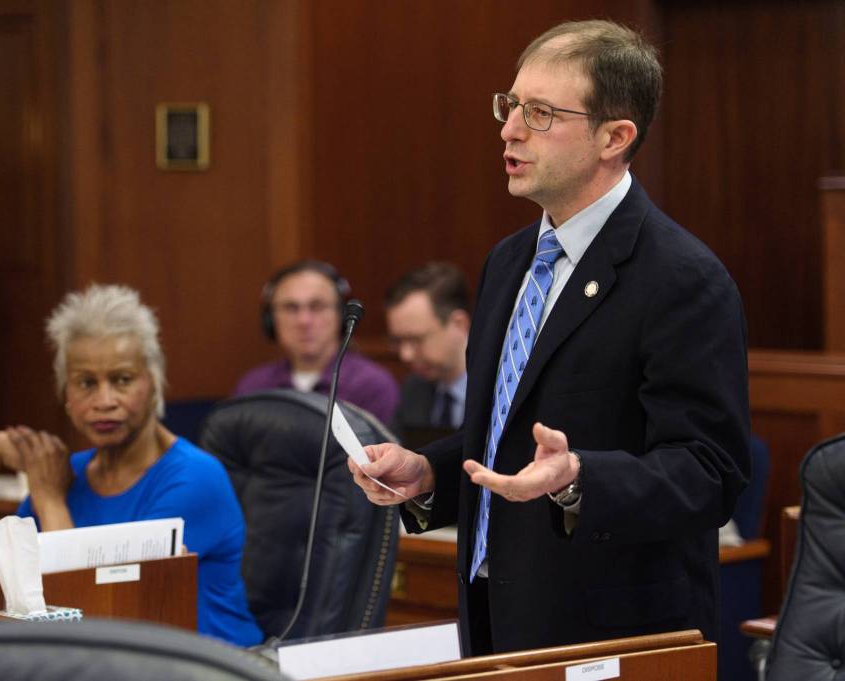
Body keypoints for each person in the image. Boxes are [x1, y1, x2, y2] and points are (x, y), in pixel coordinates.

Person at [349, 20, 750, 656]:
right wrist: (427, 473)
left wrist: (580, 476)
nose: (509, 130)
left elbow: (710, 474)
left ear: (614, 138)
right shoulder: (509, 261)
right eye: (510, 106)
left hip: (610, 635)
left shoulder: (682, 278)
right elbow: (505, 437)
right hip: (492, 614)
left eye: (540, 114)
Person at [0, 284, 263, 647]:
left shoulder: (195, 478)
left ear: (154, 384)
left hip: (213, 663)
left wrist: (50, 501)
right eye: (86, 383)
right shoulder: (63, 474)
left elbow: (98, 623)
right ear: (65, 395)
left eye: (122, 380)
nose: (104, 401)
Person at [233, 259, 399, 425]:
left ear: (341, 315)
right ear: (270, 319)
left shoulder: (372, 386)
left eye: (317, 306)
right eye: (291, 308)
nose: (304, 320)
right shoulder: (253, 387)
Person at [385, 262, 470, 442]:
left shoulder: (498, 390)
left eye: (416, 339)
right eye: (398, 341)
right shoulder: (414, 388)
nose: (405, 355)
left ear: (459, 325)